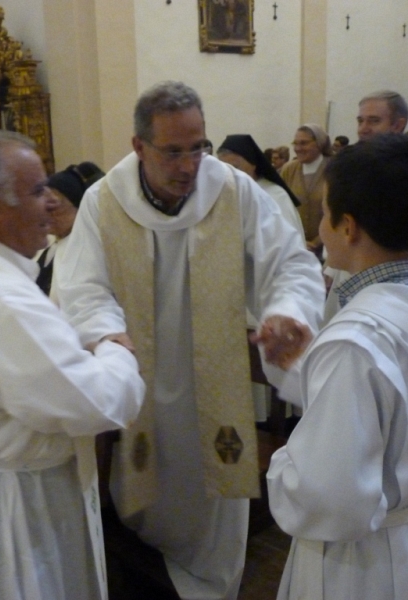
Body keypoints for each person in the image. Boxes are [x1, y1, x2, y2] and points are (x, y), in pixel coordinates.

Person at [56, 81, 324, 600]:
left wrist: (286, 311)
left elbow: (289, 262)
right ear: (139, 146)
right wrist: (109, 338)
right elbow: (83, 289)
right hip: (139, 383)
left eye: (198, 146)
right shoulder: (102, 202)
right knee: (143, 512)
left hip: (215, 389)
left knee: (215, 511)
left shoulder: (233, 189)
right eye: (173, 150)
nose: (189, 164)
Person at [0, 130, 146, 600]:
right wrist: (115, 347)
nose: (48, 203)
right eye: (36, 190)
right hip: (9, 510)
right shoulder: (0, 297)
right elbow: (93, 402)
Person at [267, 134, 408, 600]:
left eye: (324, 213)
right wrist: (306, 370)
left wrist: (282, 465)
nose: (320, 229)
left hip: (368, 562)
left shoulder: (355, 340)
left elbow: (330, 497)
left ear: (348, 227)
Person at [324, 90, 408, 323]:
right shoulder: (352, 163)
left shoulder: (400, 170)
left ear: (399, 124)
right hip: (353, 267)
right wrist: (331, 270)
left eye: (374, 120)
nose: (363, 128)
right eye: (360, 120)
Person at [36, 161, 104, 298]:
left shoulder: (87, 252)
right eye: (45, 205)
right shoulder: (46, 248)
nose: (48, 212)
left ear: (78, 209)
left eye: (56, 205)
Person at [217, 134, 303, 236]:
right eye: (225, 169)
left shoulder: (274, 196)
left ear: (253, 165)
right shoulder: (227, 195)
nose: (230, 175)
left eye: (235, 168)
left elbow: (288, 241)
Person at [281, 124, 333, 256]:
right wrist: (298, 241)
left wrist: (316, 242)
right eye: (295, 143)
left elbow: (340, 211)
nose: (298, 149)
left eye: (304, 143)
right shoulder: (288, 170)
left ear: (319, 144)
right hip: (295, 246)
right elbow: (280, 208)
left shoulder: (335, 168)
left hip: (330, 247)